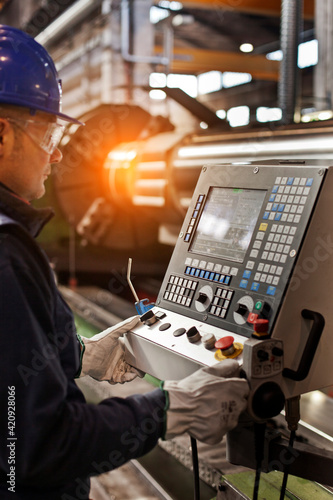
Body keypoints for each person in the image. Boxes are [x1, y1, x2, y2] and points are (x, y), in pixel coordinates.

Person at [0, 25, 249, 500]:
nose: (56, 154)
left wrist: (78, 354)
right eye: (47, 133)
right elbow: (34, 447)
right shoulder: (8, 255)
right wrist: (173, 410)